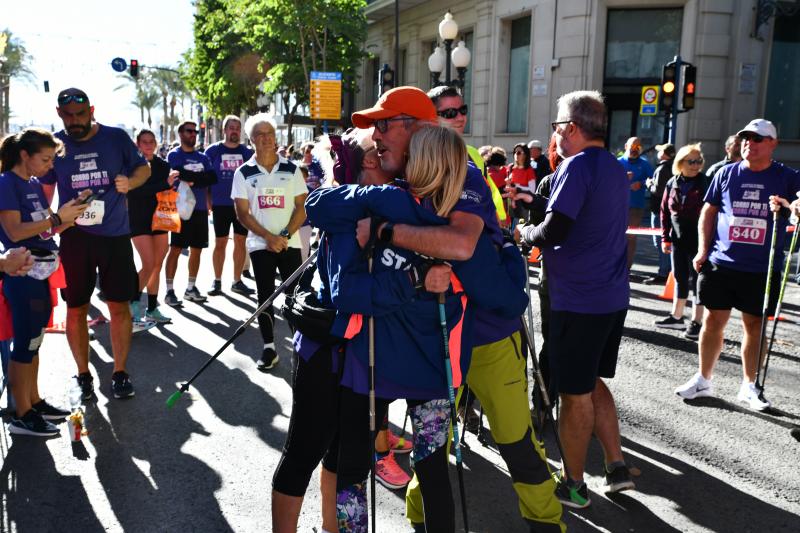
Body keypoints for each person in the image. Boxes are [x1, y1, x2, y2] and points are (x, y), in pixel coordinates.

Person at [346, 86, 564, 532]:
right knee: (429, 449)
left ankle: (547, 524)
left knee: (515, 442)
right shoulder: (397, 179)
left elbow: (462, 243)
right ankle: (420, 524)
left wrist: (386, 229)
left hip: (487, 336)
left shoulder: (458, 171)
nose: (377, 134)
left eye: (384, 124)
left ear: (416, 127)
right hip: (432, 341)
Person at [518, 90, 634, 508]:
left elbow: (554, 231)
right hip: (610, 296)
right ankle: (617, 465)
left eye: (557, 126)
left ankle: (574, 485)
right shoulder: (615, 167)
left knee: (574, 394)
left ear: (570, 128)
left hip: (580, 300)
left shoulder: (577, 165)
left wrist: (522, 234)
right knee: (591, 382)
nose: (556, 135)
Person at [675, 119, 800, 411]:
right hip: (721, 263)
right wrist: (702, 250)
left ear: (772, 144)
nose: (749, 143)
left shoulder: (786, 176)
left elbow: (798, 204)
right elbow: (709, 211)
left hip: (761, 266)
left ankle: (749, 386)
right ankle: (703, 379)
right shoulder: (726, 173)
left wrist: (791, 206)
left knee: (754, 326)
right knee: (712, 322)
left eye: (757, 139)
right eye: (745, 138)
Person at [40, 88, 151, 401]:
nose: (75, 121)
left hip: (115, 235)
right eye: (69, 116)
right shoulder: (55, 145)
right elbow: (44, 191)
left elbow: (144, 167)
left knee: (118, 306)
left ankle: (119, 372)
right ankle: (83, 375)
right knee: (75, 308)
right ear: (60, 114)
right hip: (75, 237)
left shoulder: (115, 138)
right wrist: (52, 220)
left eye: (81, 114)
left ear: (91, 110)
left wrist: (131, 182)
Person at [0, 129, 89, 435]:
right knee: (24, 342)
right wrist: (54, 219)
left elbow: (46, 230)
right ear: (24, 155)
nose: (50, 165)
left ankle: (34, 402)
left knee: (35, 340)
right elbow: (13, 232)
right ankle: (20, 413)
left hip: (42, 271)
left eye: (52, 159)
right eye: (45, 158)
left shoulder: (35, 184)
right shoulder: (6, 183)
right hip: (22, 272)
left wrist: (70, 214)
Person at [232, 114, 308, 372]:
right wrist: (268, 237)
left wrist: (284, 236)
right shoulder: (243, 172)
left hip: (290, 242)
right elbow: (242, 213)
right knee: (264, 297)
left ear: (276, 139)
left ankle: (302, 348)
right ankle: (269, 348)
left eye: (270, 134)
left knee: (295, 296)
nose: (266, 139)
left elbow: (302, 207)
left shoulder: (292, 169)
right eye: (260, 135)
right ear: (251, 139)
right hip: (260, 244)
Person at [654, 144, 707, 340]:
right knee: (679, 277)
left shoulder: (705, 183)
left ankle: (697, 321)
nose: (695, 165)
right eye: (691, 161)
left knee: (699, 281)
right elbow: (664, 212)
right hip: (678, 239)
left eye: (699, 161)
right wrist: (665, 238)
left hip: (700, 241)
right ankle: (677, 317)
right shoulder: (672, 183)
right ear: (680, 163)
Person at [128, 129, 178, 326]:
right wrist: (163, 184)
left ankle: (152, 308)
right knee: (148, 264)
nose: (148, 145)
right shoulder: (132, 166)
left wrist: (172, 184)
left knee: (156, 265)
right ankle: (133, 305)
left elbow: (166, 189)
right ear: (138, 144)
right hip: (138, 220)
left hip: (161, 218)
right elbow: (135, 192)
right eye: (144, 142)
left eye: (151, 141)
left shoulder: (163, 165)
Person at [164, 120, 217, 306]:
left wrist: (192, 178)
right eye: (189, 131)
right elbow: (177, 174)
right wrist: (196, 178)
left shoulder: (202, 157)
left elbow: (212, 177)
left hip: (200, 210)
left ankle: (190, 288)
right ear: (180, 133)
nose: (193, 134)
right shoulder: (174, 155)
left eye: (195, 131)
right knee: (176, 249)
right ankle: (169, 291)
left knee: (197, 249)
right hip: (180, 210)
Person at [204, 115, 255, 297]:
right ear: (224, 130)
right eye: (231, 127)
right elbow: (205, 178)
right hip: (220, 204)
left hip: (241, 205)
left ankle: (237, 281)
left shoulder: (247, 153)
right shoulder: (212, 151)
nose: (234, 131)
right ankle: (217, 281)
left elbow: (254, 180)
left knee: (240, 242)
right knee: (220, 243)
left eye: (237, 128)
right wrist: (207, 199)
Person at [618, 137, 654, 271]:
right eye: (632, 146)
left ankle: (626, 267)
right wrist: (623, 180)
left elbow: (653, 180)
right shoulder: (618, 162)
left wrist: (642, 183)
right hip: (618, 205)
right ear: (626, 146)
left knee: (630, 237)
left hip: (636, 206)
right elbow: (608, 182)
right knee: (615, 235)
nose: (635, 149)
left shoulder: (645, 164)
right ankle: (613, 265)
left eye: (638, 147)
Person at [643, 143, 676, 285]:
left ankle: (664, 273)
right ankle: (667, 271)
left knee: (660, 242)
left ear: (664, 154)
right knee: (665, 241)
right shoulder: (673, 167)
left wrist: (649, 183)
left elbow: (658, 190)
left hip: (659, 210)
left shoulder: (662, 168)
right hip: (667, 209)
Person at [507, 142, 536, 223]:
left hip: (523, 204)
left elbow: (532, 190)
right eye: (515, 152)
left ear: (525, 155)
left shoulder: (529, 170)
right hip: (512, 202)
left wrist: (518, 187)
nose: (516, 154)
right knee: (512, 228)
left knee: (522, 226)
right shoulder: (511, 168)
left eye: (519, 152)